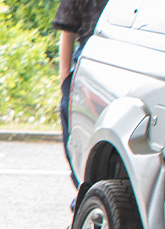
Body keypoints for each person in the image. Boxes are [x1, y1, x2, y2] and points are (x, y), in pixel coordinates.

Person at [54, 0, 107, 183]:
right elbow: (67, 30)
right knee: (75, 128)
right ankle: (82, 187)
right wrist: (65, 79)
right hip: (87, 59)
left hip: (124, 57)